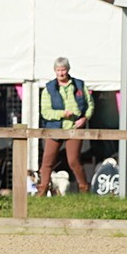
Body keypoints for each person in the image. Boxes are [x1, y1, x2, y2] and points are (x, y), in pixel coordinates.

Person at [38, 56, 93, 194]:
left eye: (63, 70)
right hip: (55, 127)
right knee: (47, 161)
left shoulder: (79, 85)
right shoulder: (49, 89)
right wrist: (62, 114)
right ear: (54, 71)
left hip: (75, 128)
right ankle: (42, 189)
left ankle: (84, 188)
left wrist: (85, 118)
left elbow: (90, 104)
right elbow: (45, 112)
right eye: (58, 70)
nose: (61, 73)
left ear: (68, 70)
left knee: (73, 161)